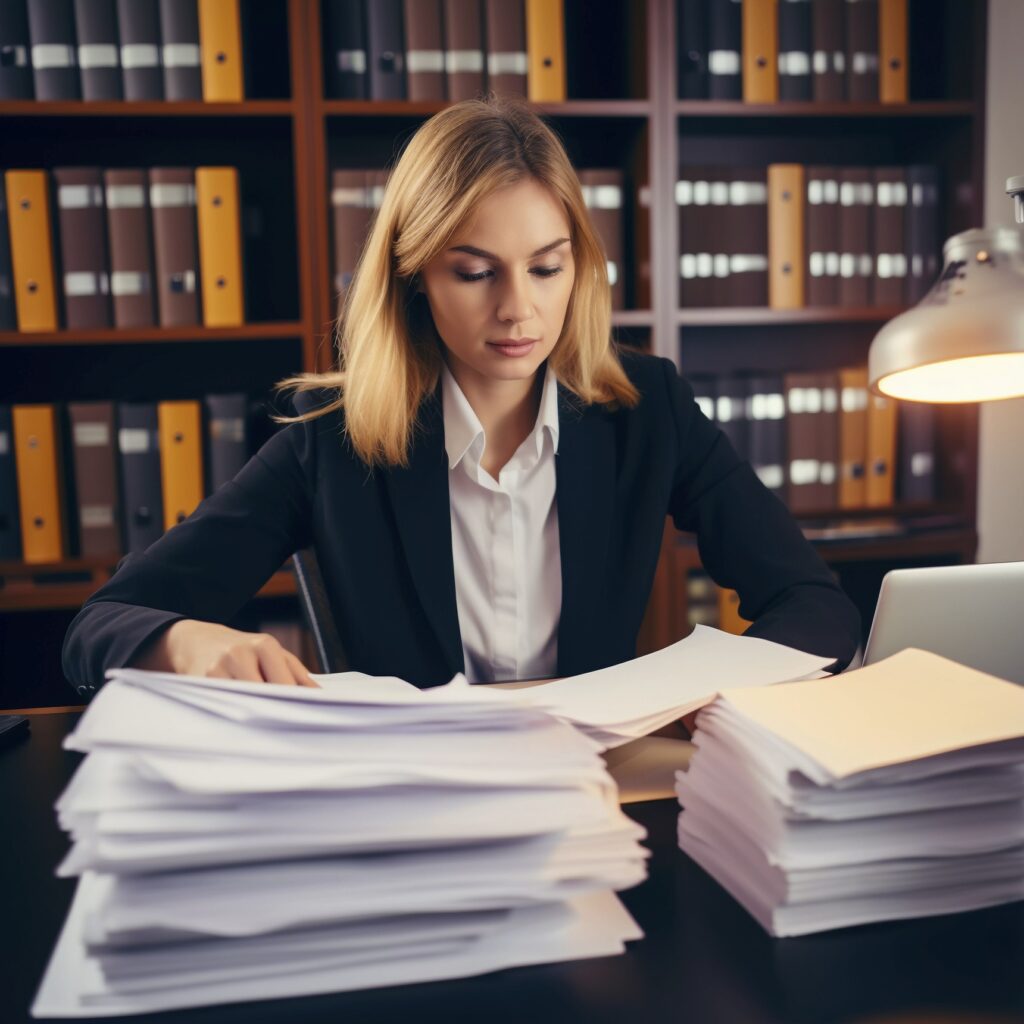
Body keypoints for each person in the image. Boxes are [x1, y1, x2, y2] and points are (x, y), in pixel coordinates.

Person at [62, 97, 860, 694]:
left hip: (600, 796)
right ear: (414, 279)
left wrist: (713, 687)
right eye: (475, 272)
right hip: (413, 811)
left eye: (546, 268)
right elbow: (98, 625)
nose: (518, 309)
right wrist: (186, 645)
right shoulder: (328, 443)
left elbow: (813, 604)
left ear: (578, 267)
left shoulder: (649, 408)